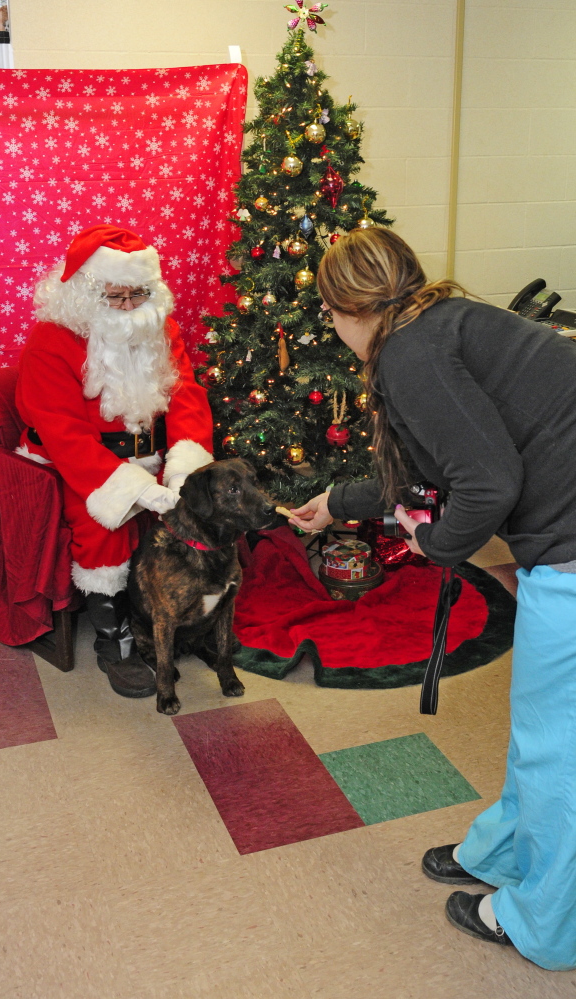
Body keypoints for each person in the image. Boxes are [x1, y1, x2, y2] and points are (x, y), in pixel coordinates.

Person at [288, 227, 576, 972]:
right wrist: (341, 499)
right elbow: (440, 466)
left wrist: (436, 544)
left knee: (556, 750)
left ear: (343, 308)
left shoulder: (410, 354)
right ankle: (503, 851)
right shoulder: (434, 325)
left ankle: (544, 924)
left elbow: (485, 483)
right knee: (541, 728)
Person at [16, 224, 213, 698]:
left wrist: (185, 463)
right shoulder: (52, 339)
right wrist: (131, 487)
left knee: (202, 510)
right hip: (79, 462)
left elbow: (184, 393)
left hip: (153, 451)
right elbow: (62, 434)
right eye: (115, 296)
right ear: (85, 295)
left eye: (138, 294)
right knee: (102, 523)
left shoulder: (159, 326)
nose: (129, 306)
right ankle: (114, 641)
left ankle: (186, 621)